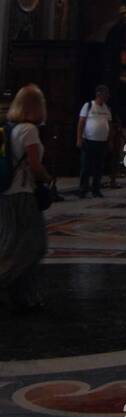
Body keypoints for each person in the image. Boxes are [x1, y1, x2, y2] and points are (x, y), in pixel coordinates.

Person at [0, 85, 51, 312]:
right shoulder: (29, 130)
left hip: (8, 194)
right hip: (22, 194)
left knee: (14, 243)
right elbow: (34, 165)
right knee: (32, 246)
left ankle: (25, 296)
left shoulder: (12, 128)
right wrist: (48, 178)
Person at [76, 84, 113, 199]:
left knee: (98, 167)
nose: (107, 96)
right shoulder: (88, 106)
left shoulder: (106, 108)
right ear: (99, 94)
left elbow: (110, 125)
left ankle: (96, 189)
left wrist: (109, 140)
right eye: (105, 94)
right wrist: (79, 138)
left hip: (102, 142)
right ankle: (83, 189)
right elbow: (81, 122)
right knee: (86, 166)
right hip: (89, 140)